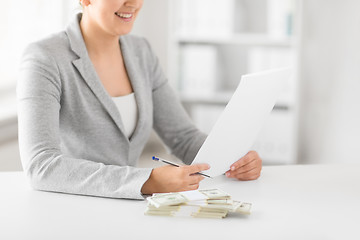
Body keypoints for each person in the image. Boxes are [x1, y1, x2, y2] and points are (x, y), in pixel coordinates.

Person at [17, 0, 262, 200]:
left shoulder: (140, 51)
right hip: (70, 209)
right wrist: (147, 180)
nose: (133, 3)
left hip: (128, 210)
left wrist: (232, 158)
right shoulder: (44, 58)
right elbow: (41, 166)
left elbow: (183, 137)